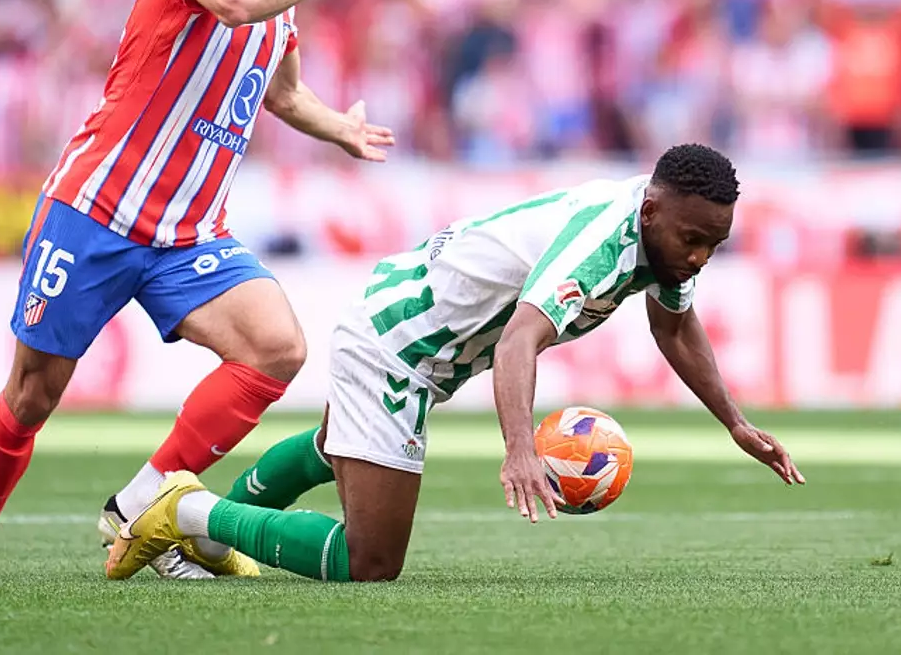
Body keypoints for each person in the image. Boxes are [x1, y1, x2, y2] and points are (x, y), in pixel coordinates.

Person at [0, 0, 405, 578]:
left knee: (277, 349)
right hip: (98, 211)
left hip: (189, 235)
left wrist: (339, 128)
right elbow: (233, 2)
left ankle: (141, 502)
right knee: (33, 395)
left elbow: (282, 95)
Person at [105, 144, 805, 583]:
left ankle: (198, 536)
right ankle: (185, 510)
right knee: (369, 561)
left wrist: (735, 423)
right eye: (691, 239)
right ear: (651, 211)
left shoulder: (662, 238)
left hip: (422, 337)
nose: (698, 257)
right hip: (396, 347)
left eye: (713, 246)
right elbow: (517, 342)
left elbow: (675, 326)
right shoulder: (601, 243)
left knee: (332, 447)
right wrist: (521, 449)